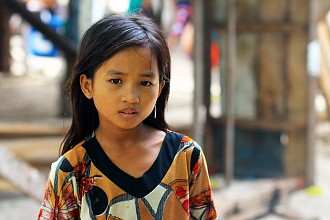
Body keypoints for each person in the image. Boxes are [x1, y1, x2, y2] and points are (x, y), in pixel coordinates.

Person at [37, 13, 217, 219]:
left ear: (160, 88)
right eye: (116, 81)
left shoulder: (187, 157)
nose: (131, 97)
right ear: (88, 85)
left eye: (145, 83)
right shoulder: (71, 171)